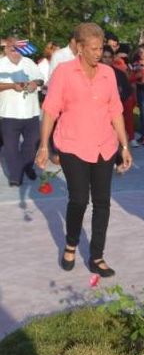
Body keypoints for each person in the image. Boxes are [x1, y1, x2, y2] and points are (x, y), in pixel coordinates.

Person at [35, 23, 133, 277]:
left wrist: (124, 146)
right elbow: (50, 109)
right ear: (79, 47)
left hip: (104, 145)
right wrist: (44, 145)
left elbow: (116, 111)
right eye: (93, 48)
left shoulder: (108, 74)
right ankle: (71, 243)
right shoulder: (64, 73)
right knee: (79, 199)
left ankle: (97, 256)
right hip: (73, 145)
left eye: (101, 47)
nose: (98, 53)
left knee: (102, 202)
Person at [0, 37, 45, 186]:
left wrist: (34, 83)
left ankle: (26, 166)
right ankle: (15, 175)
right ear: (6, 49)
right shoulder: (1, 63)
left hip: (31, 112)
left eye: (18, 49)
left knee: (32, 144)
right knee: (11, 147)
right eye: (12, 49)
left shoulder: (28, 62)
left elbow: (41, 80)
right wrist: (11, 86)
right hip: (9, 113)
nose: (15, 52)